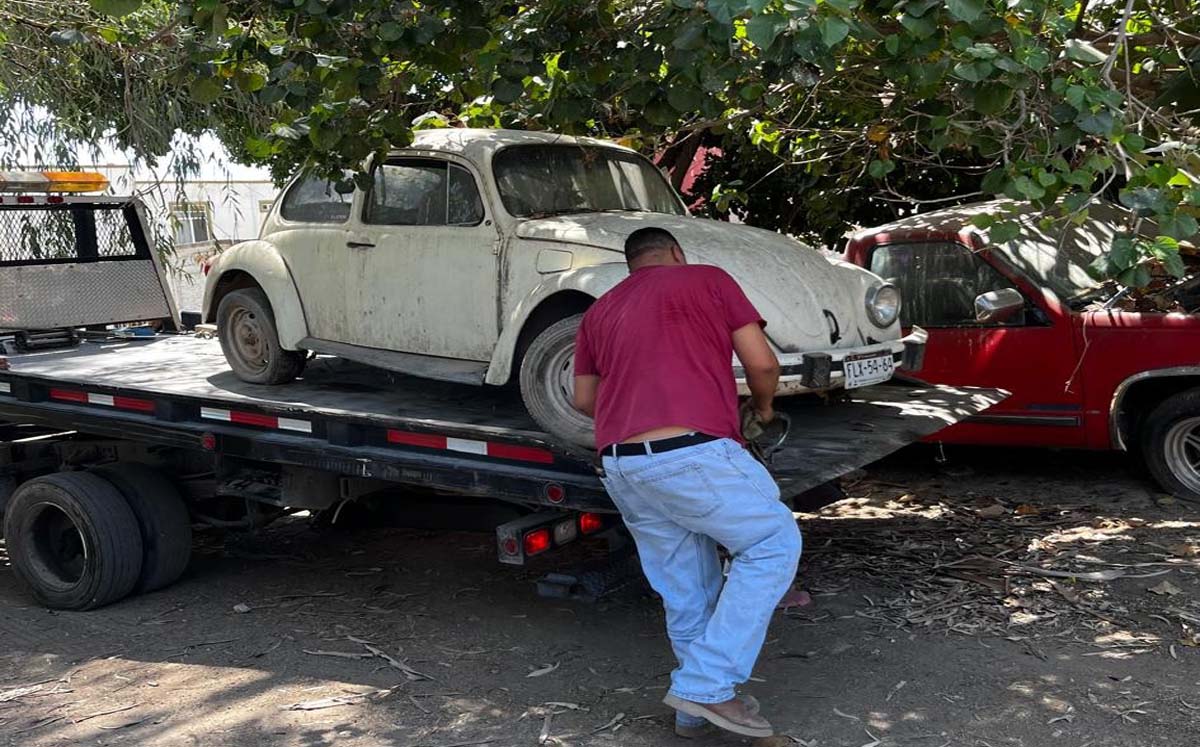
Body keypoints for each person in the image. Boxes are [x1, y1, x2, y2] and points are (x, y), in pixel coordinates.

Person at [572, 227, 803, 739]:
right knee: (772, 542)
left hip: (623, 464)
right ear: (676, 253)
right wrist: (762, 408)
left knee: (686, 587)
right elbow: (761, 363)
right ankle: (707, 685)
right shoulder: (707, 279)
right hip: (692, 452)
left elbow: (584, 400)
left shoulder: (599, 310)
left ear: (629, 263)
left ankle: (692, 712)